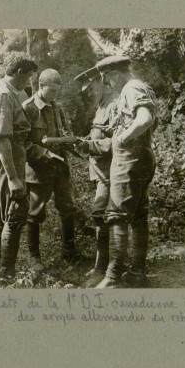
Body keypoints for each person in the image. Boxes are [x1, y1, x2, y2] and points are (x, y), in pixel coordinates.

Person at [94, 55, 158, 288]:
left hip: (129, 158)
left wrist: (122, 137)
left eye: (107, 79)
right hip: (141, 157)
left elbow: (145, 119)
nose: (108, 85)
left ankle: (112, 278)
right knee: (139, 216)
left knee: (117, 216)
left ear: (114, 73)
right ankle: (137, 273)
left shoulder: (131, 88)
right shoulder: (143, 87)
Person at [0, 52, 38, 279]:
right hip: (5, 158)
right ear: (20, 72)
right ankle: (6, 273)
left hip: (5, 155)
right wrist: (13, 178)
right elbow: (2, 138)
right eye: (28, 76)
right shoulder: (4, 94)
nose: (29, 82)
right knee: (15, 209)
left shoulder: (6, 91)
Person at [21, 69, 78, 271]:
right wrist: (44, 154)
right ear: (41, 86)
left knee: (68, 208)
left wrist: (71, 141)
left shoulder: (57, 107)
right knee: (35, 213)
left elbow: (65, 131)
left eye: (57, 91)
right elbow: (21, 144)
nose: (55, 95)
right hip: (38, 171)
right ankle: (33, 258)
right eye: (52, 91)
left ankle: (69, 252)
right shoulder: (27, 109)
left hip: (60, 168)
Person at [74, 66, 119, 287]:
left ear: (102, 83)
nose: (88, 94)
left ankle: (106, 269)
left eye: (91, 88)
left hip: (112, 173)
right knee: (103, 217)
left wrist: (87, 145)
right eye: (85, 91)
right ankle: (104, 265)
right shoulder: (101, 107)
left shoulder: (114, 106)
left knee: (102, 215)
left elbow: (114, 143)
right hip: (100, 173)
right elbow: (98, 136)